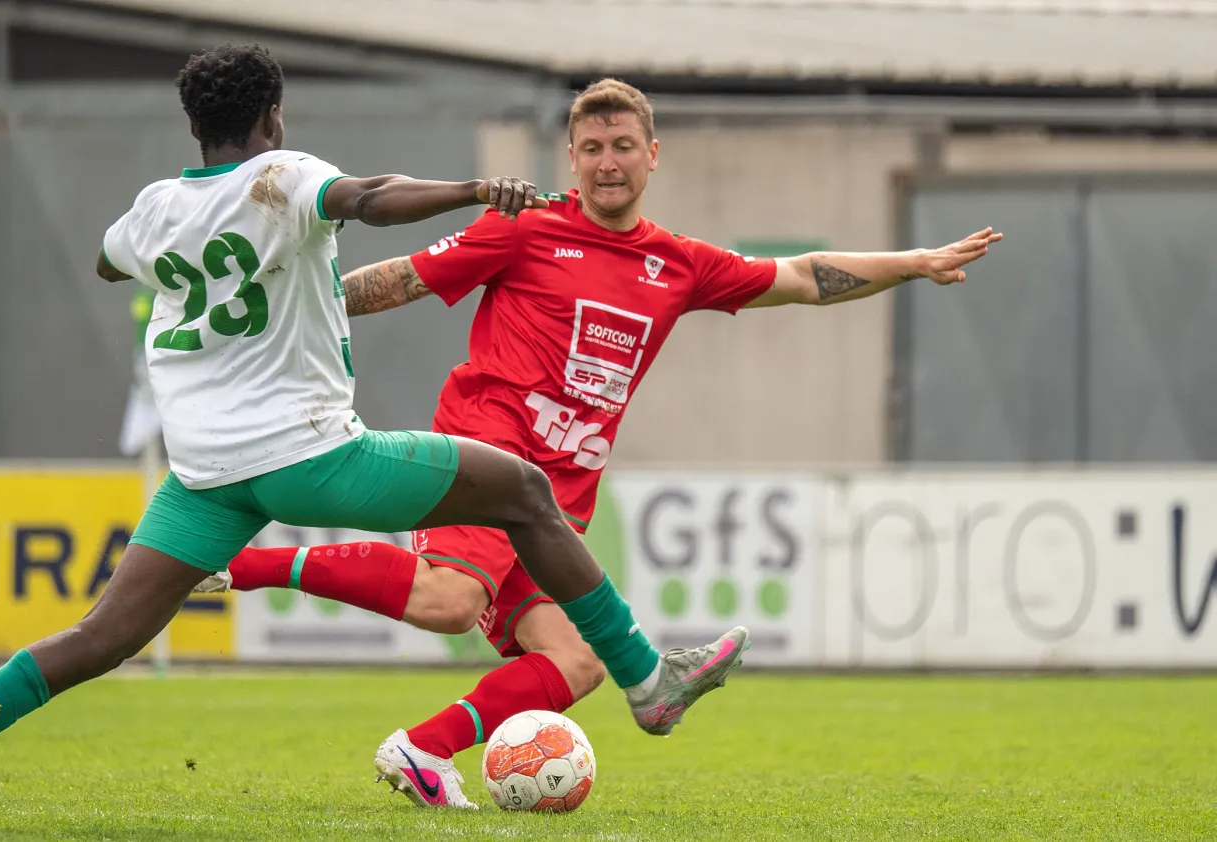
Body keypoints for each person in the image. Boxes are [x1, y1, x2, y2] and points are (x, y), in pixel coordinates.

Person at [0, 48, 748, 830]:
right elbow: (374, 197)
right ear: (272, 116)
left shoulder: (154, 208)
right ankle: (645, 680)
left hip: (203, 476)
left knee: (101, 637)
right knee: (522, 490)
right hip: (308, 457)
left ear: (197, 125)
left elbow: (110, 261)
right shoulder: (285, 176)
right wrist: (476, 190)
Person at [194, 78, 1003, 808]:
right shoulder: (524, 229)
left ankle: (424, 750)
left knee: (578, 662)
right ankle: (243, 566)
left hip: (558, 498)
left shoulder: (677, 264)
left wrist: (914, 262)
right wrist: (273, 311)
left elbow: (801, 277)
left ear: (651, 157)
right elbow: (399, 279)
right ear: (571, 159)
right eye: (591, 149)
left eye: (622, 147)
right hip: (488, 449)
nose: (606, 163)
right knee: (451, 602)